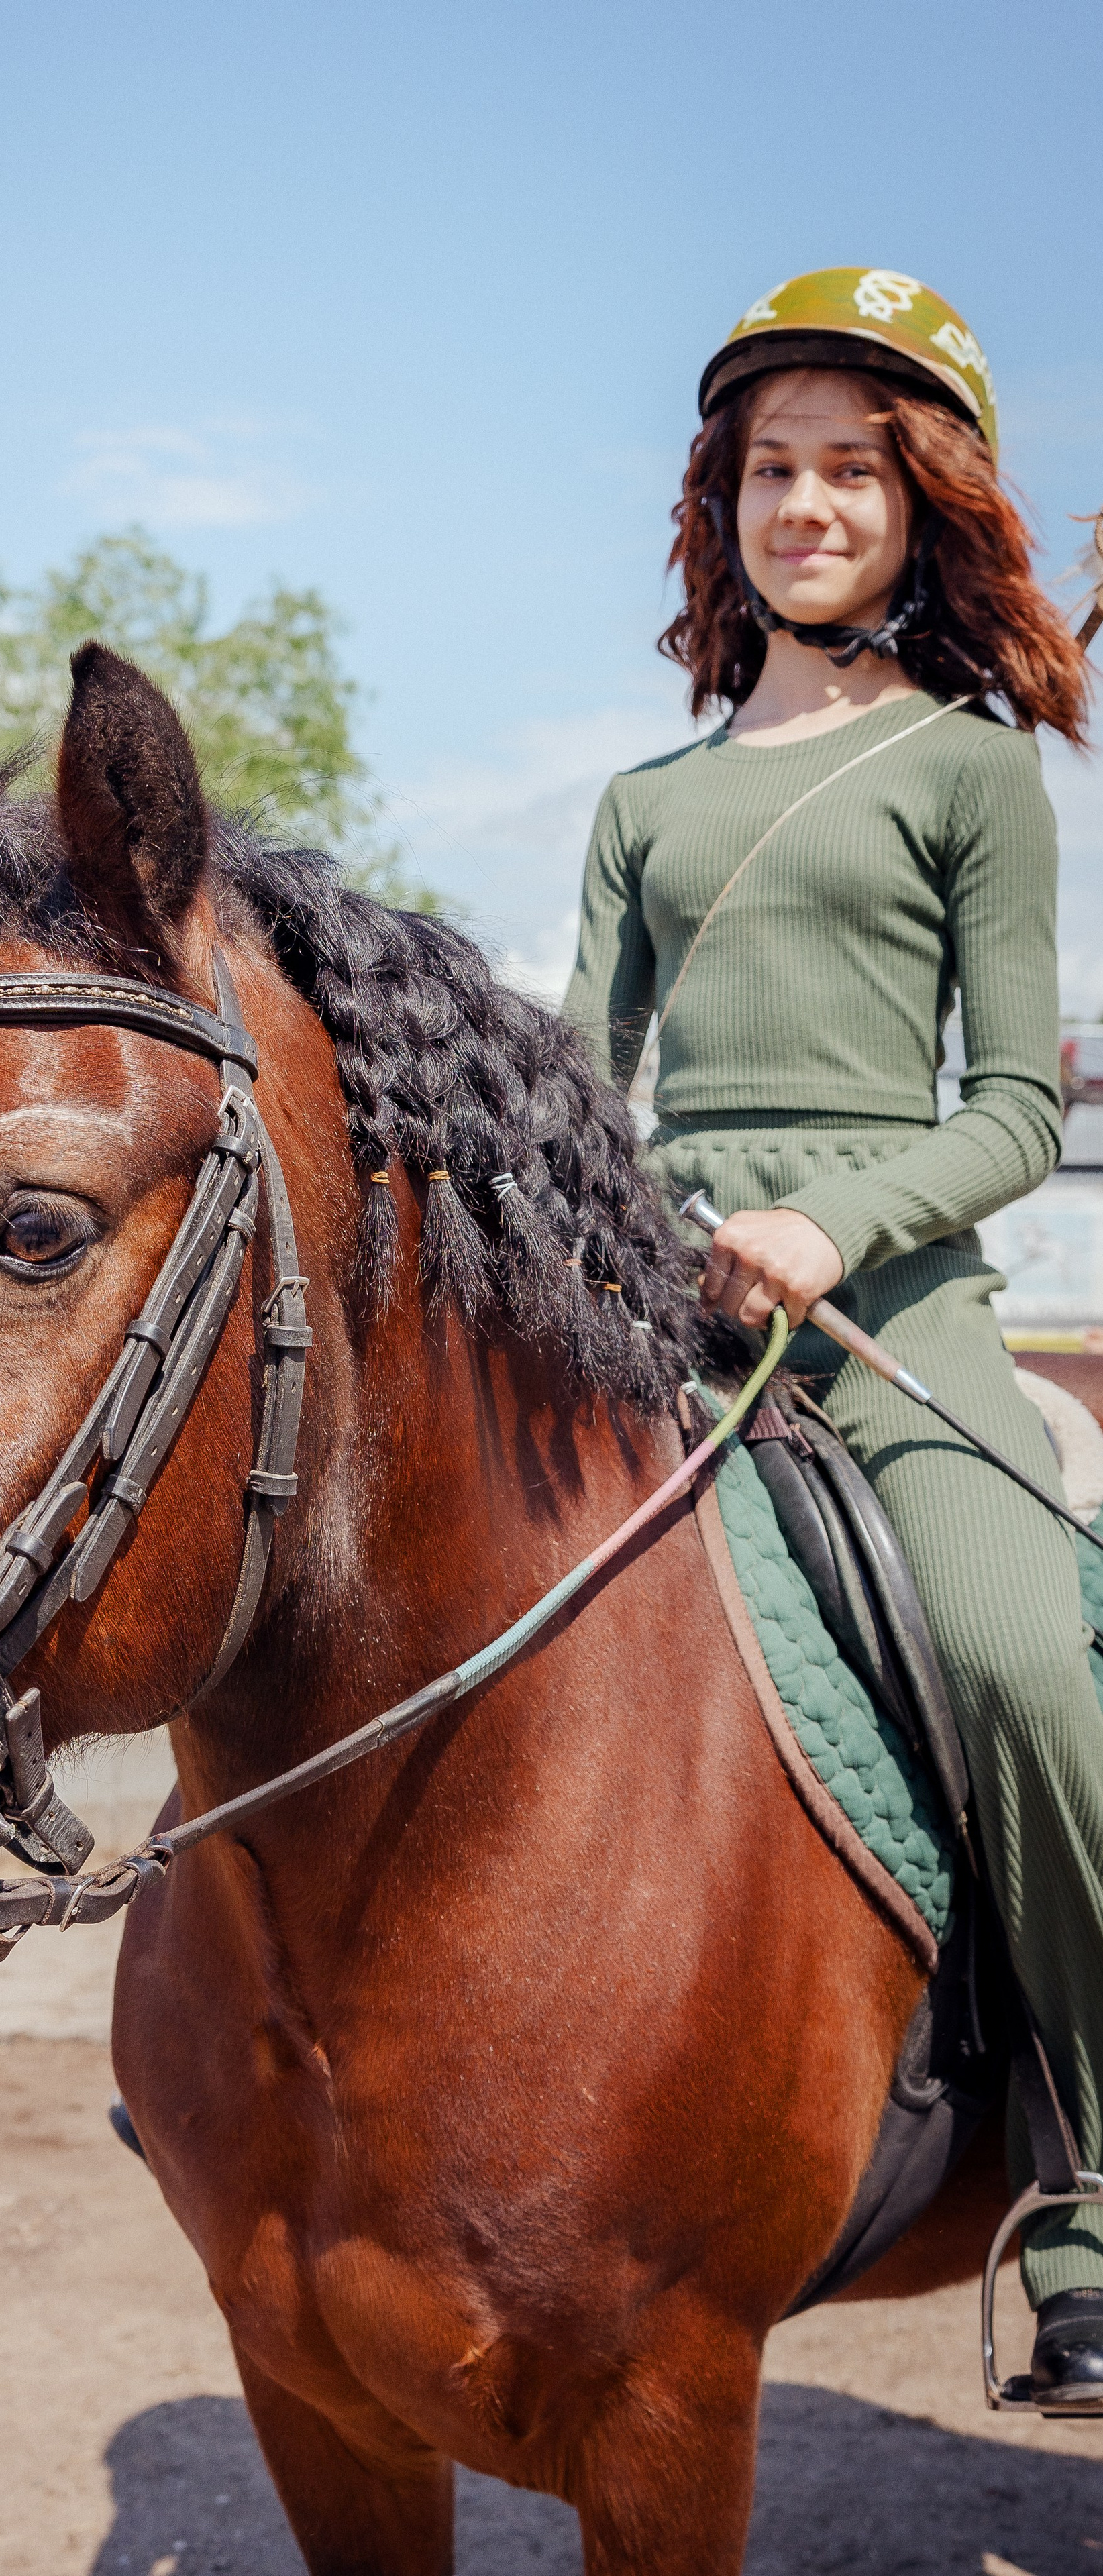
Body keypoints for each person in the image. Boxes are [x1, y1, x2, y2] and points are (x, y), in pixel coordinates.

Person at [561, 266, 1102, 2402]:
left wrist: (828, 1217)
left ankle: (1082, 2192)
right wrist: (611, 1228)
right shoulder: (640, 804)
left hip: (901, 1325)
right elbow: (571, 1087)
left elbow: (1019, 1111)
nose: (808, 506)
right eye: (773, 470)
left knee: (1023, 1664)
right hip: (661, 1319)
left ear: (916, 507)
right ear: (730, 506)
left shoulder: (973, 774)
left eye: (849, 473)